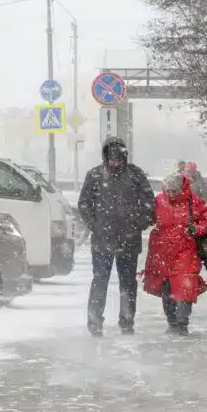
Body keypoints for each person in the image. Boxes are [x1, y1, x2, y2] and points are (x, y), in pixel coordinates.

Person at [77, 136, 156, 337]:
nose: (115, 164)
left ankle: (127, 322)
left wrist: (138, 224)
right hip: (102, 240)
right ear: (105, 157)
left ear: (124, 158)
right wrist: (95, 225)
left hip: (129, 239)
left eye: (119, 160)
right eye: (112, 160)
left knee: (128, 283)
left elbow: (149, 203)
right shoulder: (94, 175)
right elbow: (84, 204)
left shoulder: (136, 174)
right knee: (100, 280)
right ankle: (95, 323)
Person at [142, 172, 207, 336]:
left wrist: (196, 229)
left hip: (186, 251)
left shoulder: (194, 201)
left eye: (174, 191)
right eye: (168, 190)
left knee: (185, 288)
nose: (171, 194)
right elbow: (148, 217)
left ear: (182, 189)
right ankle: (172, 321)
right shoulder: (159, 200)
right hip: (162, 251)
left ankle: (182, 323)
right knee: (167, 290)